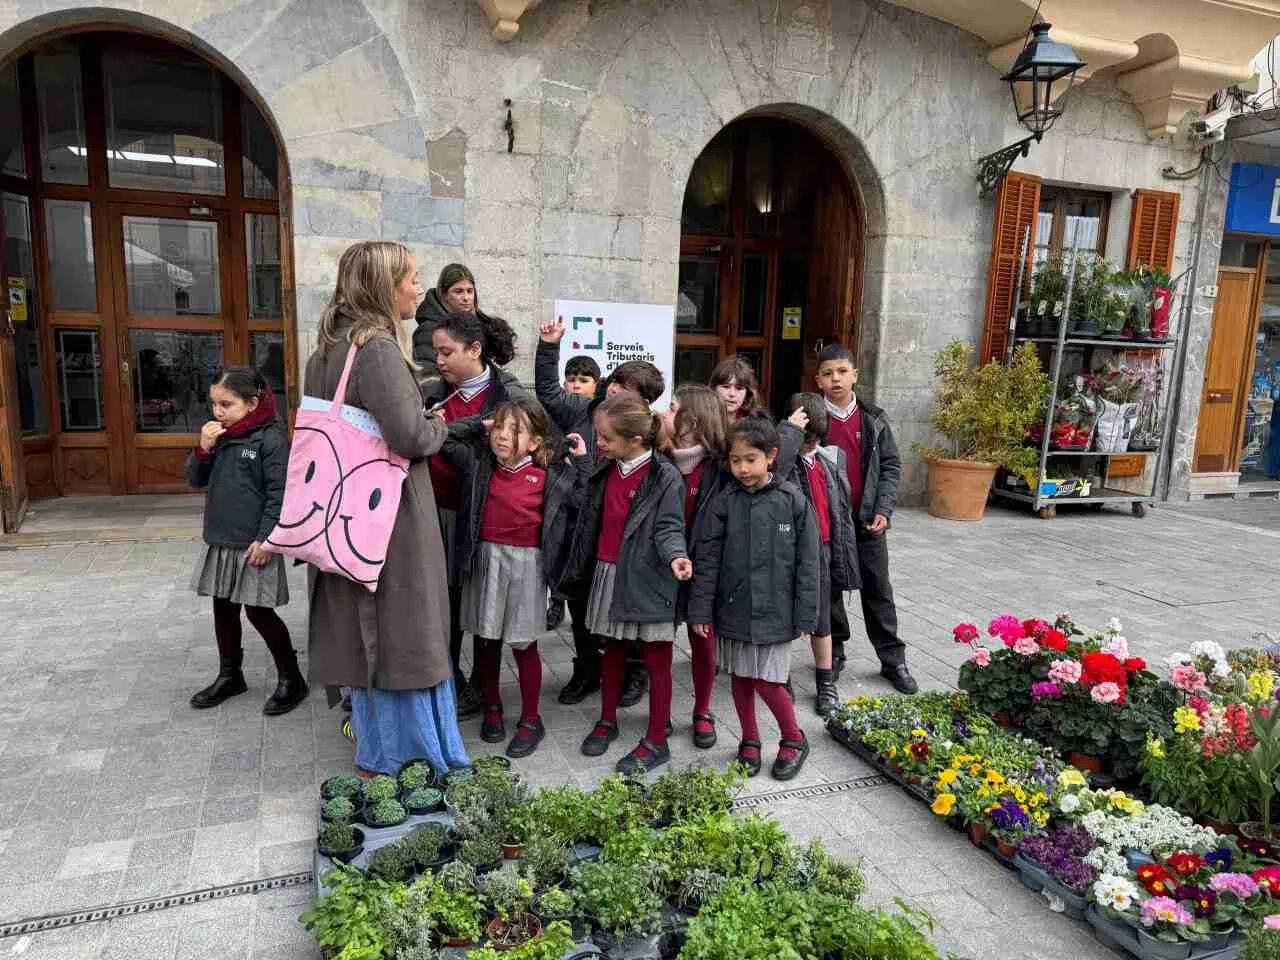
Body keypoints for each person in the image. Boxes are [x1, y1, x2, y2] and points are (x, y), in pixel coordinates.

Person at [305, 240, 468, 778]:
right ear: (383, 285)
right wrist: (439, 423)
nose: (419, 289)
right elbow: (410, 435)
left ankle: (377, 743)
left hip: (345, 510)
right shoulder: (375, 347)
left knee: (366, 625)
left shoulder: (328, 346)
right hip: (388, 513)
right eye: (411, 278)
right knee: (403, 625)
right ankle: (411, 754)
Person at [441, 398, 590, 758]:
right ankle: (492, 707)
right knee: (487, 641)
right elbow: (443, 438)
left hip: (528, 566)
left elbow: (584, 499)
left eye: (516, 430)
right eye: (501, 428)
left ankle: (530, 719)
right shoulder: (479, 466)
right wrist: (481, 424)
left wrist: (583, 462)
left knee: (523, 644)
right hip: (486, 562)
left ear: (536, 441)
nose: (504, 436)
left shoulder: (549, 476)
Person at [535, 318, 665, 708]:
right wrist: (548, 347)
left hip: (619, 538)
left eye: (626, 389)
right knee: (581, 606)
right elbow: (546, 392)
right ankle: (587, 670)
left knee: (625, 609)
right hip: (578, 531)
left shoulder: (647, 439)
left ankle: (634, 671)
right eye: (616, 382)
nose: (614, 389)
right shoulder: (584, 409)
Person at [688, 417, 818, 780]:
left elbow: (810, 563)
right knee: (741, 678)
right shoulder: (724, 503)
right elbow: (708, 561)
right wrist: (701, 610)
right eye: (735, 460)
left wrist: (807, 615)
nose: (742, 468)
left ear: (771, 456)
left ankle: (793, 738)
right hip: (733, 609)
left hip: (777, 612)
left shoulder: (792, 500)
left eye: (750, 459)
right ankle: (750, 739)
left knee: (767, 681)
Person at [568, 394, 691, 774]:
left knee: (656, 657)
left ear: (636, 440)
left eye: (605, 438)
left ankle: (657, 738)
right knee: (613, 649)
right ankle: (607, 720)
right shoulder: (607, 468)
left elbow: (670, 526)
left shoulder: (664, 476)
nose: (599, 443)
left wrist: (676, 556)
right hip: (608, 572)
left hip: (650, 577)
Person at [424, 310, 528, 718]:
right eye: (436, 352)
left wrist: (441, 433)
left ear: (475, 350)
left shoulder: (510, 397)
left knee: (481, 605)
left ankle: (487, 692)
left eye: (447, 352)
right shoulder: (435, 392)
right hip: (436, 512)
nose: (440, 361)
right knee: (442, 604)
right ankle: (450, 680)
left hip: (483, 516)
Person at [186, 367, 306, 715]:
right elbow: (196, 479)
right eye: (214, 404)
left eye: (227, 404)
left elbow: (279, 494)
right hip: (222, 539)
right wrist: (203, 449)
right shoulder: (219, 436)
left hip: (255, 544)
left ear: (252, 403)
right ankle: (230, 675)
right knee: (222, 608)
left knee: (259, 611)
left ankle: (291, 678)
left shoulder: (270, 439)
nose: (217, 412)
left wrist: (268, 539)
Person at [814, 343, 916, 694]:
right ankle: (836, 649)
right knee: (830, 588)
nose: (836, 379)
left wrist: (883, 510)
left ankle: (893, 659)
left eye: (842, 371)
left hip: (867, 521)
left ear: (855, 375)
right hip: (828, 523)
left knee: (878, 588)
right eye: (828, 374)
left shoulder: (873, 419)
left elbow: (890, 465)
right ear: (818, 380)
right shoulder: (814, 420)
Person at [774, 393, 861, 717]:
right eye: (805, 440)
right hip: (789, 554)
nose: (809, 446)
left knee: (822, 620)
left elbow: (839, 511)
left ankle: (825, 681)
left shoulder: (827, 461)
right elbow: (773, 477)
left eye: (814, 440)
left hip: (821, 551)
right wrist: (788, 434)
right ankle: (780, 677)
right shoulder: (784, 461)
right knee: (784, 621)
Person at [666, 385, 732, 748]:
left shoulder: (721, 468)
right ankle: (659, 710)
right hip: (665, 566)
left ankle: (702, 710)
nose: (665, 413)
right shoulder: (661, 457)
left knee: (702, 640)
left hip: (703, 569)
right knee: (658, 640)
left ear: (690, 419)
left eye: (672, 407)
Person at [543, 353, 600, 631]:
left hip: (581, 491)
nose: (576, 385)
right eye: (571, 379)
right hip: (556, 489)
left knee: (572, 549)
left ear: (596, 386)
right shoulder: (556, 412)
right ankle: (555, 601)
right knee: (555, 547)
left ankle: (568, 597)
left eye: (584, 380)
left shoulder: (595, 418)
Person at [412, 263, 502, 383]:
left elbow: (495, 374)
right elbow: (428, 380)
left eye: (470, 291)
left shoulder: (481, 326)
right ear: (444, 295)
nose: (466, 298)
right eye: (458, 292)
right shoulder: (428, 331)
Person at [709, 355, 767, 421]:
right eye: (726, 387)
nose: (732, 394)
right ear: (714, 389)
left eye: (739, 388)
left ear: (747, 393)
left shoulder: (758, 425)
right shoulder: (700, 421)